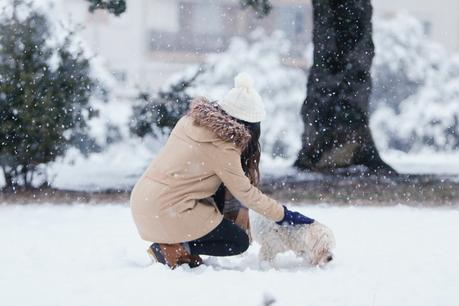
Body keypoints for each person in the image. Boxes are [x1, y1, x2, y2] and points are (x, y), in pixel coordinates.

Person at [130, 72, 314, 269]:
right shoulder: (224, 147)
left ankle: (177, 244)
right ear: (251, 128)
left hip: (143, 203)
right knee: (237, 241)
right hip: (168, 211)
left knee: (219, 190)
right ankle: (170, 248)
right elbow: (247, 194)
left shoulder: (189, 122)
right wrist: (286, 215)